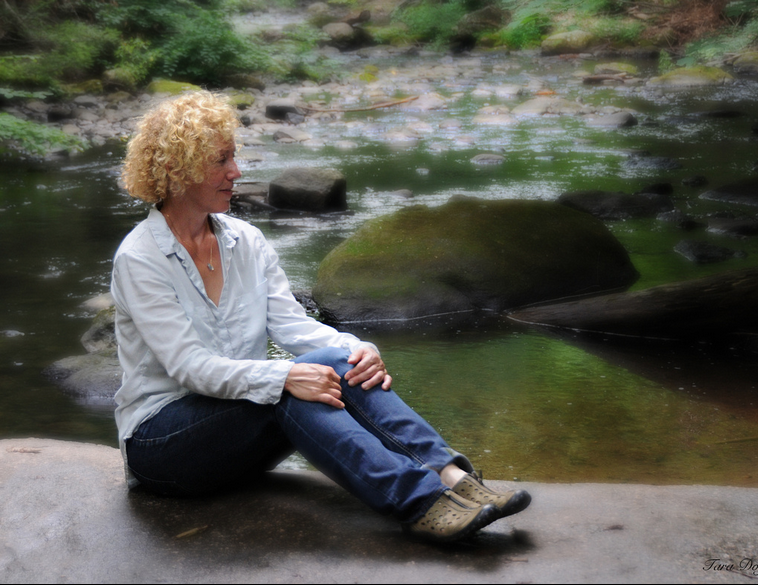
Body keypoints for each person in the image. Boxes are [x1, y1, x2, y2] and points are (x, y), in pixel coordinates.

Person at [111, 90, 530, 543]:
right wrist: (285, 377)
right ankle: (422, 503)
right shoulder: (140, 257)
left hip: (241, 431)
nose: (237, 172)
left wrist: (358, 350)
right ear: (176, 169)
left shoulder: (245, 241)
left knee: (333, 363)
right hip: (163, 446)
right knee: (290, 385)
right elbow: (191, 368)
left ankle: (452, 478)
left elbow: (294, 327)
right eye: (221, 161)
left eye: (233, 157)